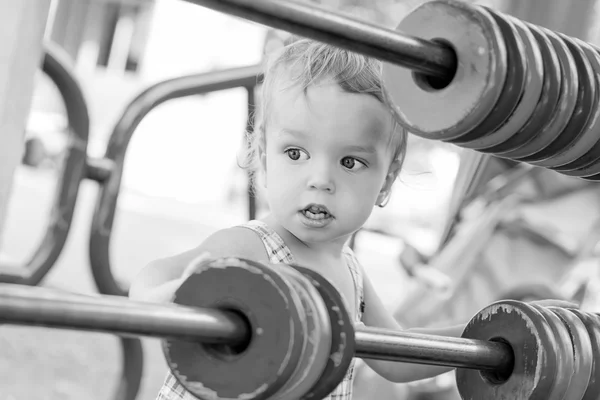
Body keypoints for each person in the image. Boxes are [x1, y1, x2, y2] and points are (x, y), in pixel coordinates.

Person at [129, 38, 574, 400]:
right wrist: (172, 293)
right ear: (262, 156)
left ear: (387, 179)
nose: (319, 179)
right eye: (296, 153)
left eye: (350, 162)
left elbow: (398, 360)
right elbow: (150, 280)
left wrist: (495, 334)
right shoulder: (251, 248)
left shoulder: (353, 275)